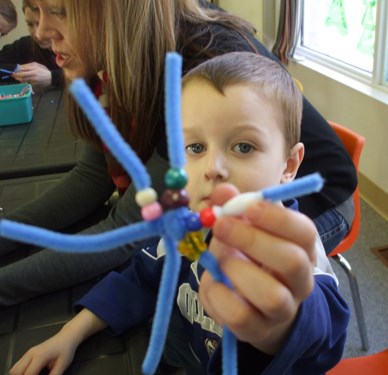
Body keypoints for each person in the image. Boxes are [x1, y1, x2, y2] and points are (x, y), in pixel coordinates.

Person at [9, 52, 349, 375]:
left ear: (289, 165)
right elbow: (141, 275)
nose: (212, 168)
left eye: (243, 147)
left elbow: (323, 326)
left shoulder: (294, 252)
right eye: (195, 148)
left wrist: (278, 323)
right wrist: (69, 334)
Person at [0, 0, 357, 306]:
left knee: (213, 293)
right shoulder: (109, 64)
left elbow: (128, 231)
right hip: (216, 195)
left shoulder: (197, 68)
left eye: (60, 11)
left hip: (315, 201)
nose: (42, 32)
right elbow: (91, 179)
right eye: (37, 11)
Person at [0, 0, 63, 88]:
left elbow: (88, 77)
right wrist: (17, 69)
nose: (37, 33)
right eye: (30, 24)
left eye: (41, 23)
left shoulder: (79, 46)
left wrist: (52, 77)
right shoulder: (24, 46)